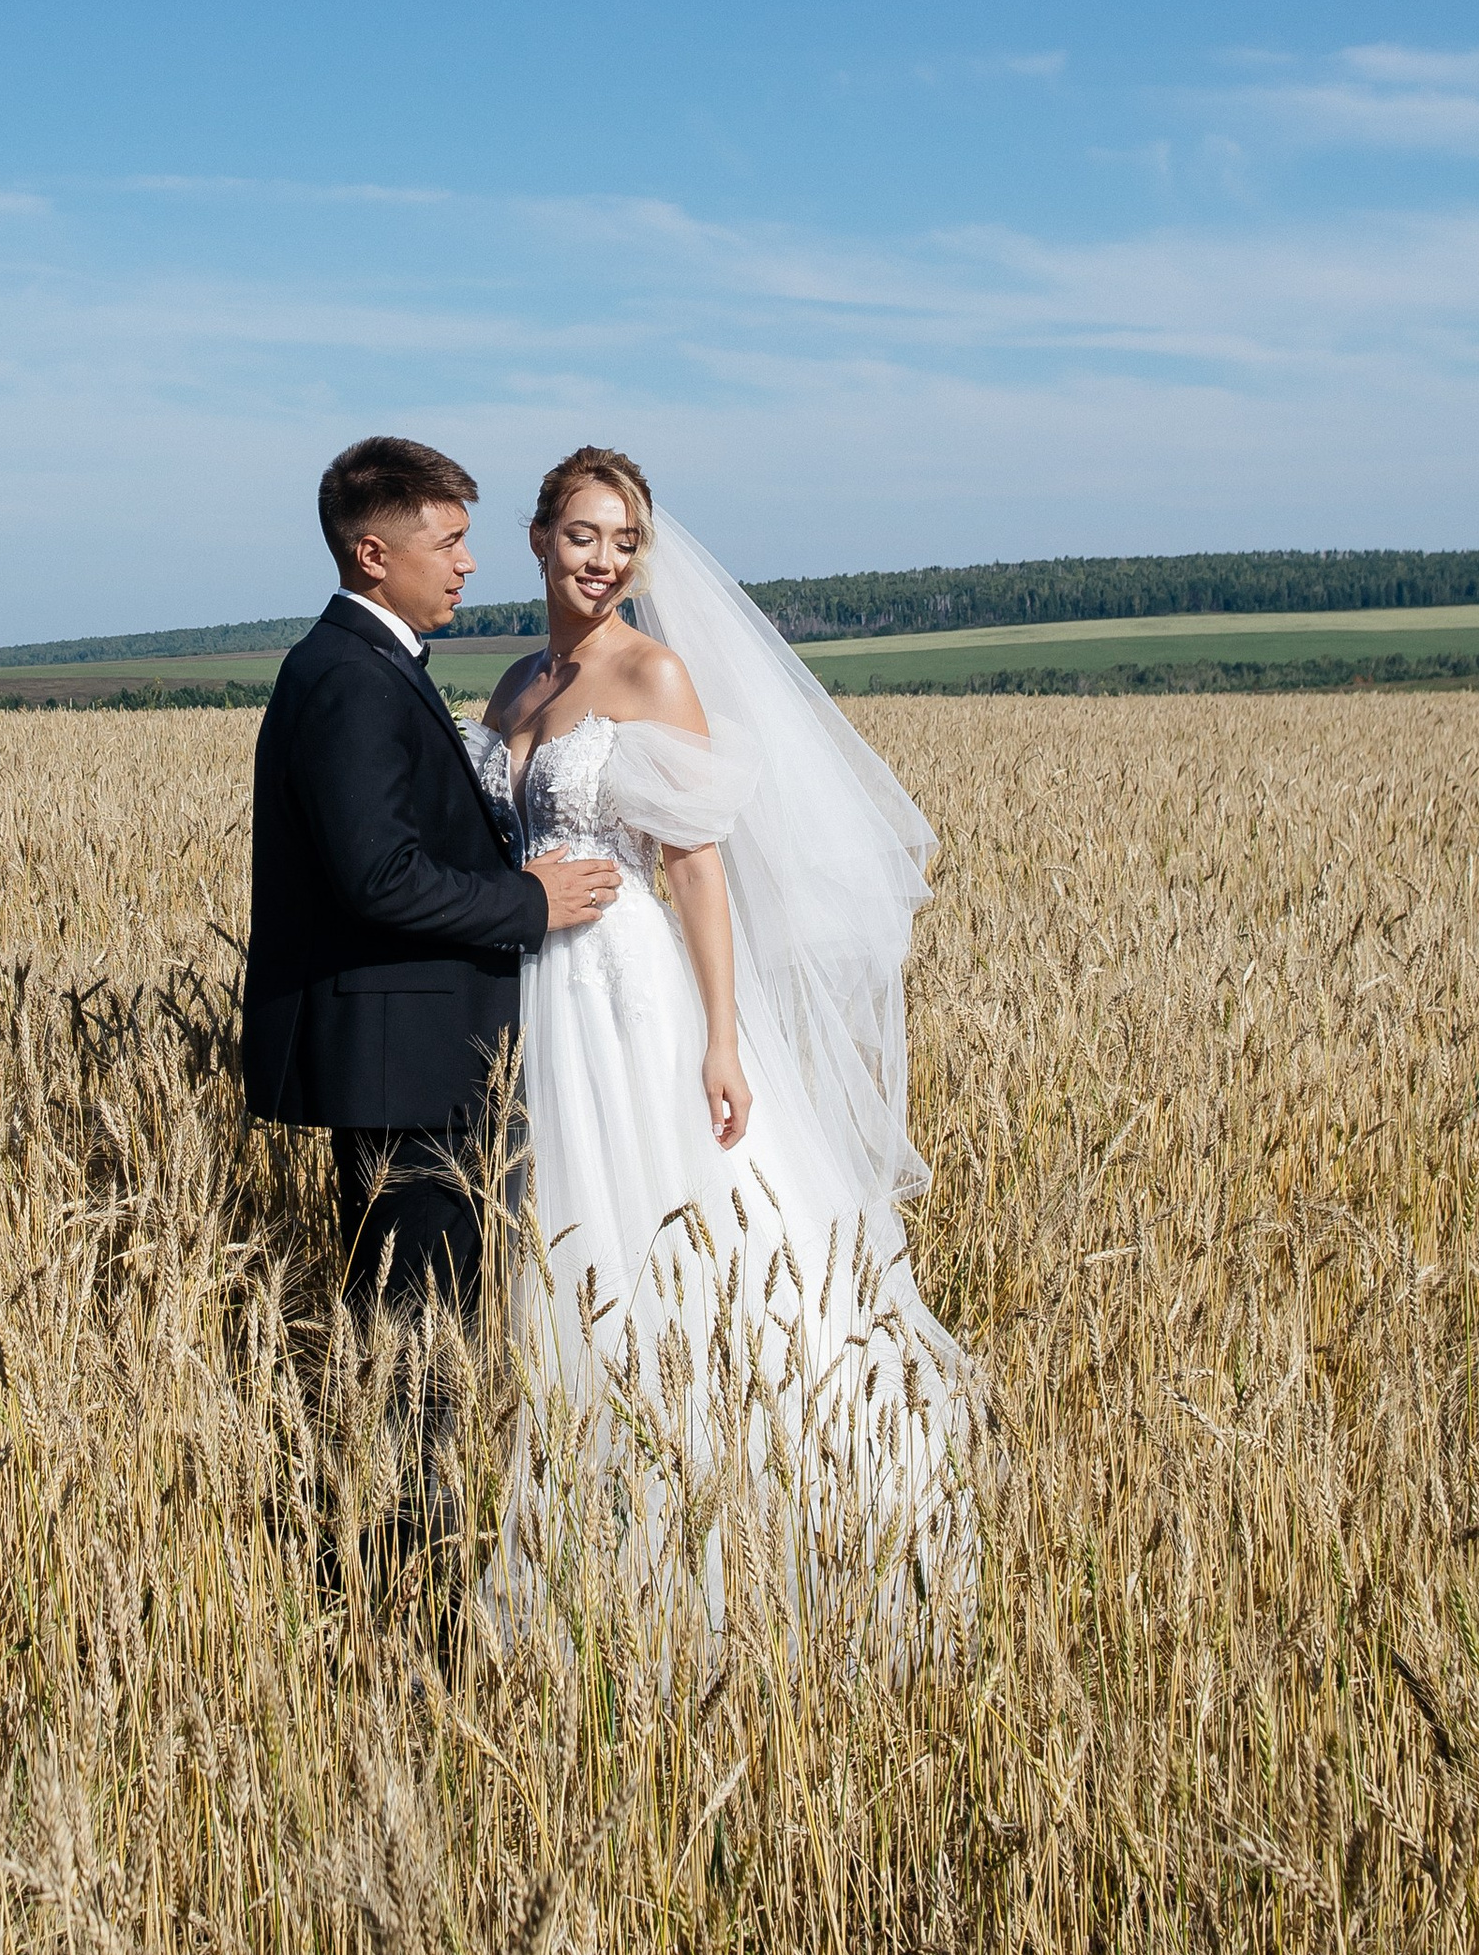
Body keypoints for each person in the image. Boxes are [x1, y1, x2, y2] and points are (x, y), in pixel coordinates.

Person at [466, 447, 972, 1640]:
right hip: (537, 996)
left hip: (627, 988)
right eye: (582, 535)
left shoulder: (652, 672)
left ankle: (758, 1511)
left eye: (623, 541)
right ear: (538, 539)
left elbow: (695, 867)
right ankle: (588, 1517)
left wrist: (721, 1040)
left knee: (667, 1223)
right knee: (566, 1242)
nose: (603, 560)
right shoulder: (513, 686)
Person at [244, 436, 624, 1341]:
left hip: (412, 1063)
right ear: (374, 555)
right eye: (448, 542)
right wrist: (532, 903)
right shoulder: (351, 678)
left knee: (424, 1331)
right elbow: (379, 876)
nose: (468, 562)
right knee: (422, 1349)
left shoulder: (361, 663)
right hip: (407, 1071)